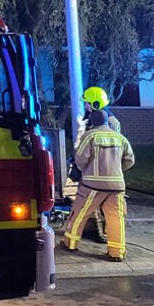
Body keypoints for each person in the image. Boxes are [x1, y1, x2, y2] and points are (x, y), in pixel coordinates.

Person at [64, 109, 135, 261]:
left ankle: (71, 244)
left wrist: (86, 170)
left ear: (92, 121)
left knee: (79, 214)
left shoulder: (90, 136)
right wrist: (116, 169)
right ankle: (117, 253)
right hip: (116, 186)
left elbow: (80, 158)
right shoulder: (120, 137)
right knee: (116, 218)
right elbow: (129, 160)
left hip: (92, 185)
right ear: (107, 121)